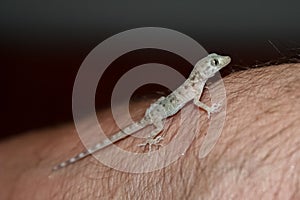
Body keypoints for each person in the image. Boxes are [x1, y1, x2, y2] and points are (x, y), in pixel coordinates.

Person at [0, 62, 299, 199]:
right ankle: (147, 138)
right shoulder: (194, 89)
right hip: (155, 116)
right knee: (154, 126)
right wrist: (160, 134)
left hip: (158, 108)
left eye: (217, 64)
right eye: (215, 64)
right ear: (203, 71)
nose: (220, 65)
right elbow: (197, 104)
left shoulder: (195, 83)